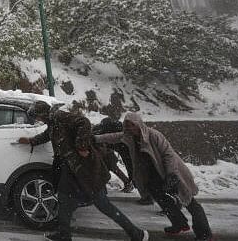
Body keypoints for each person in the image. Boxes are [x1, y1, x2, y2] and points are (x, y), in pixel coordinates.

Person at [18, 101, 148, 241]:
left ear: (42, 113)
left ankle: (136, 234)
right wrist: (31, 141)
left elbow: (84, 122)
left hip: (86, 168)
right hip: (70, 168)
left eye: (37, 116)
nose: (37, 119)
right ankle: (64, 234)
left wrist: (82, 146)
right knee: (64, 199)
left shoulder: (60, 117)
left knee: (103, 204)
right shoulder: (52, 123)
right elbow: (47, 135)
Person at [96, 112, 213, 241]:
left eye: (132, 125)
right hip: (154, 175)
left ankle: (205, 234)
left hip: (171, 172)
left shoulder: (153, 135)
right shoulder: (129, 137)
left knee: (189, 201)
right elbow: (113, 137)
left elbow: (168, 154)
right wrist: (95, 138)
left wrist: (171, 174)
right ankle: (179, 223)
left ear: (138, 124)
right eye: (127, 125)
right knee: (160, 197)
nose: (130, 128)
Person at [93, 118, 134, 193]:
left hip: (108, 154)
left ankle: (129, 183)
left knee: (108, 169)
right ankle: (129, 183)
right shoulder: (104, 131)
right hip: (110, 152)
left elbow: (103, 145)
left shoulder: (98, 131)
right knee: (115, 168)